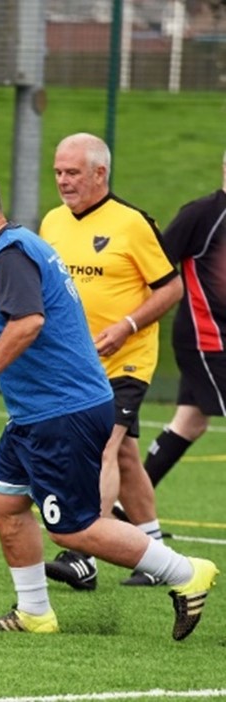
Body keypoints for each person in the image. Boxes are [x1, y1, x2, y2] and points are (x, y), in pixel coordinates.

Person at [0, 165, 217, 639]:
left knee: (73, 528)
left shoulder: (10, 254)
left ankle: (187, 572)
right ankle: (34, 613)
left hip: (61, 410)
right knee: (4, 500)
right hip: (38, 412)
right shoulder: (20, 243)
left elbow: (28, 322)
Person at [39, 132, 183, 589]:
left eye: (72, 172)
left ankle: (83, 554)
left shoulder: (133, 224)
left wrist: (127, 326)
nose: (63, 180)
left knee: (101, 446)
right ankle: (155, 552)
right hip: (76, 366)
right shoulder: (52, 222)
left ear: (100, 173)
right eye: (58, 172)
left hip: (126, 362)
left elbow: (172, 288)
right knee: (123, 454)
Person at [142, 151, 226, 487]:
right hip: (208, 339)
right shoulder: (202, 215)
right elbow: (156, 265)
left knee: (190, 422)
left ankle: (127, 504)